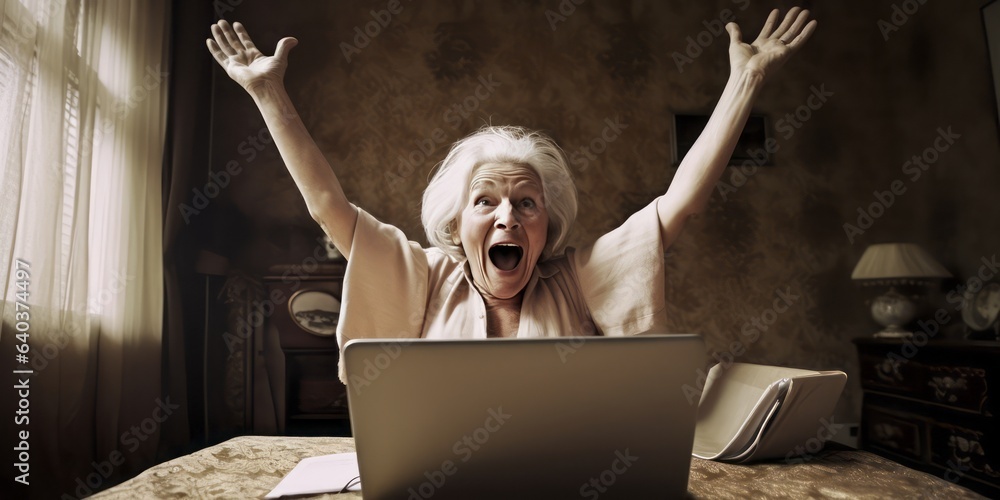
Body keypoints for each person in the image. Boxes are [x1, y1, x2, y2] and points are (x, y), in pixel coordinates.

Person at [206, 8, 817, 382]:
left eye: (526, 203)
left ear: (547, 224)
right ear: (457, 222)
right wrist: (268, 96)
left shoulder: (577, 279)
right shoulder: (422, 274)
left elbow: (680, 202)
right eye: (486, 202)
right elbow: (326, 206)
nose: (508, 217)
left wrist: (745, 81)